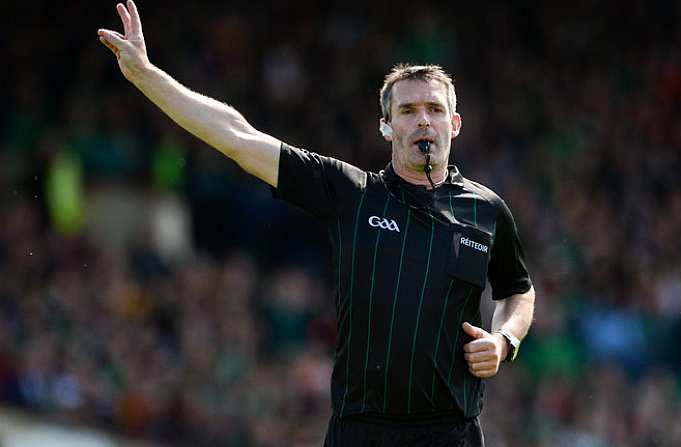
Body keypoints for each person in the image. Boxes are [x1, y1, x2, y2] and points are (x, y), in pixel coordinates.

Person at [98, 2, 535, 445]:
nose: (423, 119)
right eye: (407, 111)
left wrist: (504, 342)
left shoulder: (487, 210)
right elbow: (238, 136)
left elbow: (518, 290)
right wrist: (146, 76)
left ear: (454, 123)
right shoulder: (352, 194)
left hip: (452, 435)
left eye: (435, 109)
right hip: (360, 432)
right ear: (386, 127)